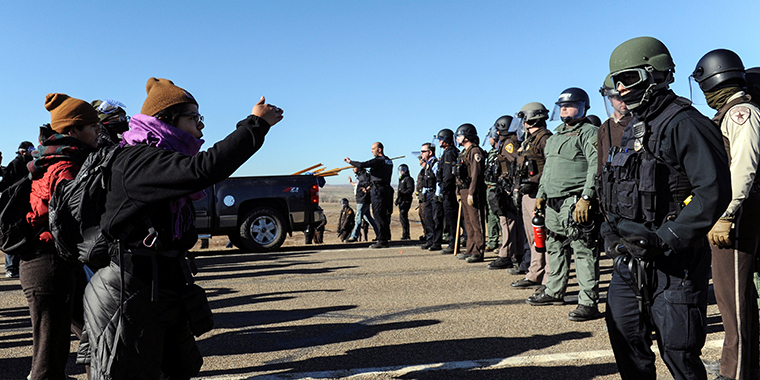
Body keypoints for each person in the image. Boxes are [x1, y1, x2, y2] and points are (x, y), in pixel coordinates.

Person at [83, 77, 283, 379]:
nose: (201, 126)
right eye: (194, 118)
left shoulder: (158, 156)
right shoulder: (140, 160)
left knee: (180, 369)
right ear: (167, 120)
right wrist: (255, 124)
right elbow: (204, 169)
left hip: (160, 287)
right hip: (128, 294)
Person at [600, 37, 731, 380]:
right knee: (626, 341)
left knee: (679, 353)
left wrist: (667, 237)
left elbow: (713, 191)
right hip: (631, 260)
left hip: (676, 260)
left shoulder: (686, 123)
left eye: (628, 79)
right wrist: (611, 231)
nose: (621, 89)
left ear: (654, 74)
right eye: (617, 82)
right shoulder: (634, 129)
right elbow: (619, 188)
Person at [692, 48, 760, 380]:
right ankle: (741, 365)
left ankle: (736, 373)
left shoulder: (740, 112)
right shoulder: (730, 112)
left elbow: (743, 168)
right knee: (733, 298)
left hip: (737, 218)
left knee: (734, 300)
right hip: (734, 215)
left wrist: (728, 213)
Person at [22, 94, 100, 380]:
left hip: (56, 263)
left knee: (96, 333)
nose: (98, 133)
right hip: (48, 267)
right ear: (73, 131)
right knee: (48, 364)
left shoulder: (51, 159)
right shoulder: (66, 167)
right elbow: (77, 221)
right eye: (93, 127)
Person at [528, 87, 601, 323]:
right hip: (552, 201)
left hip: (574, 200)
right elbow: (547, 169)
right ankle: (554, 290)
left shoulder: (589, 133)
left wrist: (587, 197)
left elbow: (595, 165)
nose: (565, 109)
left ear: (583, 108)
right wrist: (541, 194)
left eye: (570, 106)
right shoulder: (556, 135)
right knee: (554, 246)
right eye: (562, 106)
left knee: (583, 250)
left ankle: (588, 302)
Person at [511, 103, 553, 289]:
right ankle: (534, 272)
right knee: (532, 235)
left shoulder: (545, 139)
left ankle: (549, 277)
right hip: (528, 193)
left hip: (540, 193)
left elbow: (552, 167)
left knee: (544, 236)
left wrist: (535, 180)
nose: (523, 122)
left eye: (524, 118)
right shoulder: (529, 140)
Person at [486, 117, 526, 271]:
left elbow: (517, 162)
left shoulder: (508, 144)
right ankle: (515, 253)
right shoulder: (508, 142)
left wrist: (514, 185)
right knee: (510, 221)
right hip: (508, 186)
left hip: (508, 187)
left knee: (507, 221)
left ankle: (506, 255)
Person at [345, 142, 393, 248]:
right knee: (384, 216)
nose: (372, 151)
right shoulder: (389, 161)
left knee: (378, 215)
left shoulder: (378, 161)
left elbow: (362, 165)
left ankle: (382, 240)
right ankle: (385, 237)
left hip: (378, 190)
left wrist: (350, 161)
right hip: (386, 189)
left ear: (379, 150)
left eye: (373, 149)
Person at [453, 123, 487, 263]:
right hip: (464, 189)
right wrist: (459, 191)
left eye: (460, 135)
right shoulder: (463, 152)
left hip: (473, 190)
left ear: (467, 136)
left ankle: (478, 251)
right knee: (468, 222)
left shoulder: (475, 151)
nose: (458, 138)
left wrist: (472, 192)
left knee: (476, 221)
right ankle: (470, 248)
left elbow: (476, 174)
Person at [0, 141, 34, 278]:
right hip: (19, 204)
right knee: (15, 233)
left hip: (21, 204)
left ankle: (17, 266)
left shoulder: (29, 164)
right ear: (22, 151)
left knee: (19, 233)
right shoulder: (19, 164)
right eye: (29, 149)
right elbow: (4, 185)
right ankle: (12, 267)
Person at [597, 78, 632, 177]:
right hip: (611, 184)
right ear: (609, 98)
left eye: (625, 96)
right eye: (617, 97)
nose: (623, 101)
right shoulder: (604, 128)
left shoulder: (640, 122)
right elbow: (600, 163)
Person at [437, 129, 460, 254]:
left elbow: (448, 175)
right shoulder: (448, 152)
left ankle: (453, 243)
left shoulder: (449, 153)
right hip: (448, 189)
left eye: (441, 139)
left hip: (449, 191)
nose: (439, 141)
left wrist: (443, 190)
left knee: (451, 218)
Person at [419, 143, 443, 251]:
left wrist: (437, 194)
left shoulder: (435, 164)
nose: (421, 154)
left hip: (434, 193)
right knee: (428, 218)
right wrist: (423, 193)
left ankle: (436, 242)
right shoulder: (427, 165)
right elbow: (425, 181)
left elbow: (438, 180)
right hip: (428, 193)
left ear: (430, 152)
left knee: (436, 218)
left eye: (423, 151)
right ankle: (429, 240)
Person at [483, 126, 502, 254]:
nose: (489, 139)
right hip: (488, 187)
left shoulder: (501, 151)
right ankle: (492, 241)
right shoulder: (491, 153)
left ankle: (504, 241)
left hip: (496, 187)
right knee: (490, 217)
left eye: (490, 136)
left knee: (499, 216)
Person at [346, 166, 378, 242]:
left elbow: (368, 185)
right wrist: (351, 182)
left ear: (359, 168)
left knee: (358, 218)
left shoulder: (363, 176)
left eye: (354, 167)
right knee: (369, 219)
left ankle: (354, 236)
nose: (353, 169)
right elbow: (358, 185)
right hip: (362, 199)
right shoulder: (360, 176)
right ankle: (379, 234)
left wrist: (366, 189)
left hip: (362, 200)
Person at [395, 164, 414, 240]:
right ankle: (405, 234)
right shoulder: (401, 179)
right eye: (400, 170)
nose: (401, 171)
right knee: (402, 217)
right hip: (401, 200)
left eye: (403, 169)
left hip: (406, 200)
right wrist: (397, 200)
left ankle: (406, 234)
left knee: (403, 216)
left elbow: (410, 190)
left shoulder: (408, 179)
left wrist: (403, 193)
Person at [415, 155, 427, 240]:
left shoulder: (427, 170)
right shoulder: (422, 171)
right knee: (422, 215)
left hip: (426, 196)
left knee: (426, 216)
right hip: (421, 197)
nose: (419, 161)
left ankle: (429, 235)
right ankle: (426, 234)